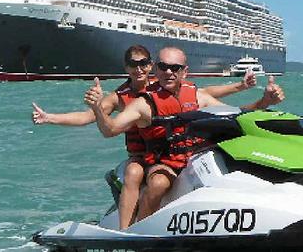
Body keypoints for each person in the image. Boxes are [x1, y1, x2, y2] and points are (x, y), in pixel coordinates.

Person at [32, 45, 257, 229]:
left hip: (172, 151)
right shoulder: (122, 97)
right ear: (126, 67)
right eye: (132, 64)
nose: (138, 69)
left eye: (143, 64)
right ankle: (126, 230)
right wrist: (50, 117)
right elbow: (89, 117)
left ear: (151, 66)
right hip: (143, 153)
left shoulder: (163, 84)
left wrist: (240, 86)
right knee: (133, 171)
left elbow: (203, 94)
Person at [85, 46, 284, 222]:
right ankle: (140, 230)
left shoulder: (197, 96)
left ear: (184, 72)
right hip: (163, 161)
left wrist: (265, 102)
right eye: (163, 67)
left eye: (175, 68)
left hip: (197, 157)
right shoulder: (144, 103)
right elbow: (110, 130)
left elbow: (234, 114)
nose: (168, 72)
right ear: (156, 70)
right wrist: (97, 109)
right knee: (158, 183)